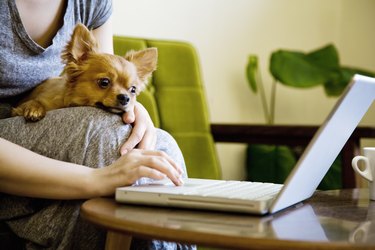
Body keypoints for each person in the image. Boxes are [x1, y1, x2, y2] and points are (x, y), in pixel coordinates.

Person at [0, 0, 194, 249]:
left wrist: (136, 108)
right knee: (111, 144)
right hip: (10, 132)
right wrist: (96, 179)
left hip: (62, 127)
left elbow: (110, 72)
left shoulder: (91, 3)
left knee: (162, 145)